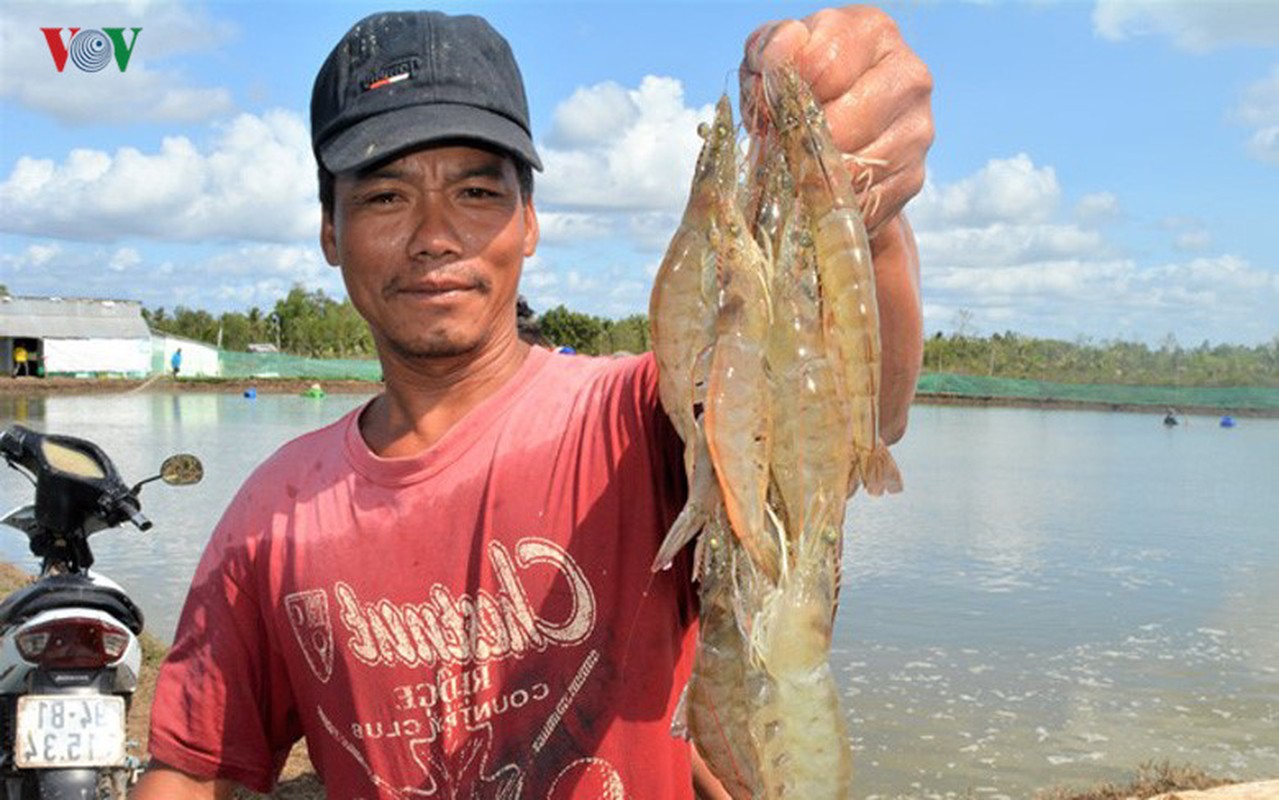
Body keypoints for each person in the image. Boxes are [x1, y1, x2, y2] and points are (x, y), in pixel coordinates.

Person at [134, 6, 931, 799]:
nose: (434, 235)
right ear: (329, 233)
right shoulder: (272, 513)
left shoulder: (638, 420)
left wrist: (869, 212)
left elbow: (858, 416)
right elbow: (192, 765)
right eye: (385, 198)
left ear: (529, 223)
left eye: (477, 191)